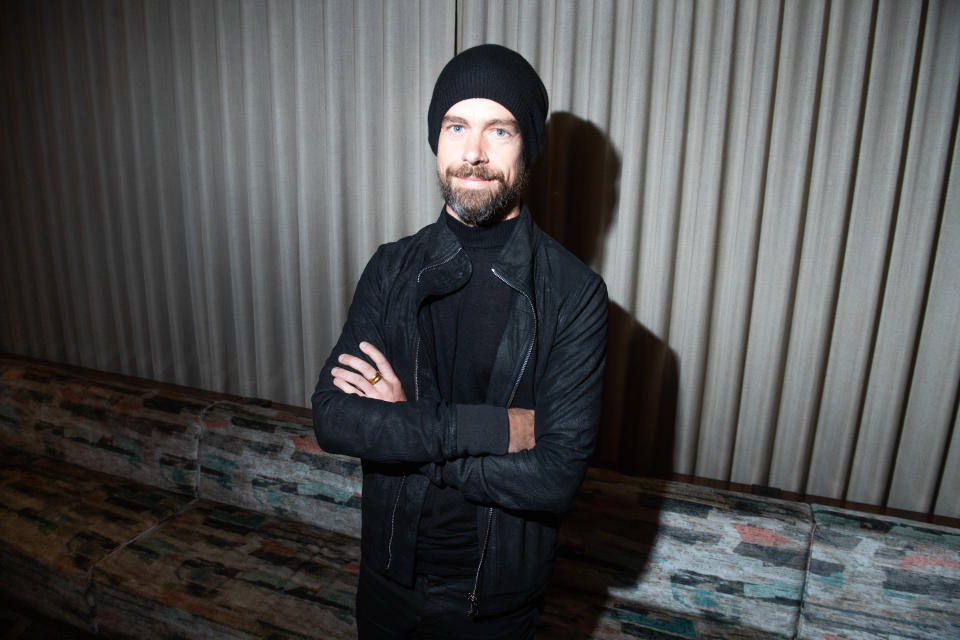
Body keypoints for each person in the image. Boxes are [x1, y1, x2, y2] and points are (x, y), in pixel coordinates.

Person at [312, 43, 608, 639]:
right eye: (456, 126)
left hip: (493, 607)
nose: (473, 153)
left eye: (499, 129)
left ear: (529, 148)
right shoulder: (391, 269)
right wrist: (496, 430)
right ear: (436, 138)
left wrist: (406, 428)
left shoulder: (575, 294)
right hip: (386, 583)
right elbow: (334, 418)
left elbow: (554, 478)